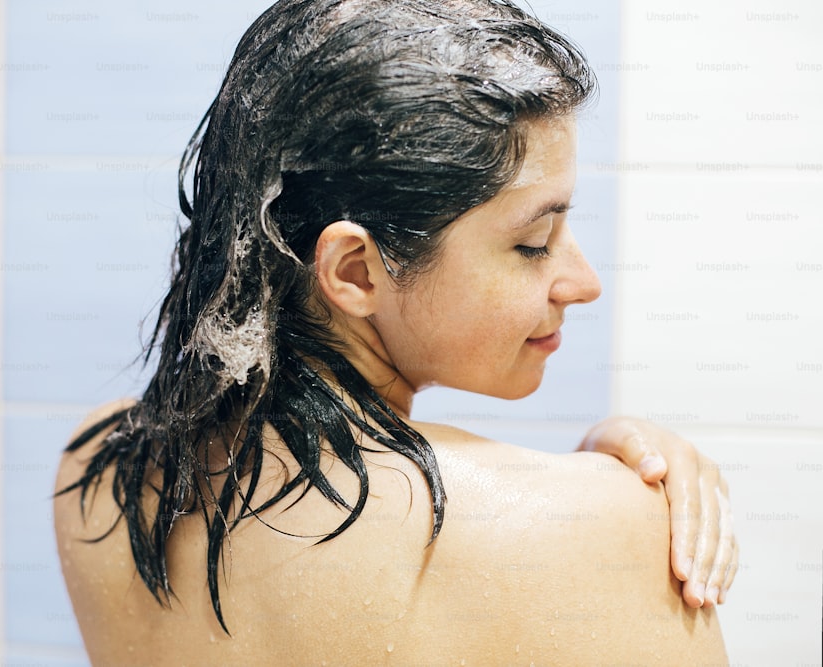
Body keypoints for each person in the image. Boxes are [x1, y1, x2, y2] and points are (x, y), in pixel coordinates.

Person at [54, 0, 737, 663]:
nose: (584, 281)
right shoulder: (594, 531)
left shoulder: (101, 480)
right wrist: (610, 499)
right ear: (354, 270)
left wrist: (587, 469)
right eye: (534, 242)